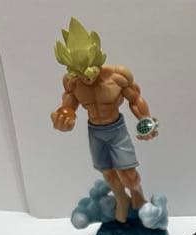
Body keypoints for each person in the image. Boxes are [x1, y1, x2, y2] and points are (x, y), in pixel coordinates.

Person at [51, 18, 159, 222]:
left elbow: (135, 100)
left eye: (89, 70)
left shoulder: (117, 76)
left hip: (116, 130)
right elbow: (67, 108)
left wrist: (146, 123)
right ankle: (121, 199)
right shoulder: (73, 83)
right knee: (108, 174)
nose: (86, 78)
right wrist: (63, 119)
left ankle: (137, 194)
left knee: (128, 174)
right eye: (79, 73)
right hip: (95, 132)